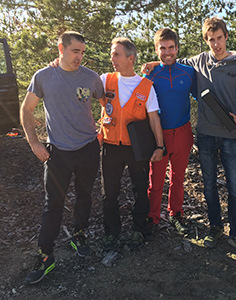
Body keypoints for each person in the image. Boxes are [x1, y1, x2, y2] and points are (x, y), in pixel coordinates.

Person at [144, 17, 236, 256]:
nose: (216, 44)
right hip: (183, 134)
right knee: (185, 184)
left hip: (213, 134)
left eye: (219, 38)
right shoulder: (182, 66)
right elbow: (168, 65)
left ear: (226, 37)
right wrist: (154, 62)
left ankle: (228, 231)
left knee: (226, 187)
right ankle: (164, 220)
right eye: (210, 40)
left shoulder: (229, 66)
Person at [21, 31, 104, 284]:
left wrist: (101, 128)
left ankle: (79, 235)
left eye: (82, 52)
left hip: (88, 149)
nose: (79, 56)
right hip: (57, 153)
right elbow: (26, 108)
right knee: (52, 205)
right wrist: (34, 141)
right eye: (74, 51)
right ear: (61, 48)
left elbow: (104, 102)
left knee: (85, 196)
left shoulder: (91, 78)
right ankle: (46, 256)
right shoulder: (44, 76)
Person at [99, 38, 164, 251]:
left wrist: (160, 146)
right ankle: (111, 232)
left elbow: (154, 119)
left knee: (140, 189)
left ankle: (138, 228)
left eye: (117, 54)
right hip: (110, 146)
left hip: (137, 148)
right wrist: (58, 63)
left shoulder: (146, 86)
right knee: (109, 193)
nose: (112, 58)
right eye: (112, 53)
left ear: (131, 58)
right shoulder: (105, 80)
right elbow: (79, 82)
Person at [145, 28, 197, 235]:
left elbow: (202, 96)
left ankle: (176, 213)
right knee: (156, 178)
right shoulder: (150, 73)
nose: (167, 52)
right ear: (156, 49)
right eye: (162, 48)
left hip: (183, 132)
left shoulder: (188, 72)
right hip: (159, 134)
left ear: (177, 48)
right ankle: (152, 216)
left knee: (178, 177)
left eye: (171, 48)